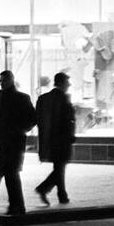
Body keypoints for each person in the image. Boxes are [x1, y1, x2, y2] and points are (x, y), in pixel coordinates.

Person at [0, 71, 36, 216]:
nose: (2, 83)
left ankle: (15, 204)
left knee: (11, 173)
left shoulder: (20, 97)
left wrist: (19, 130)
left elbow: (32, 118)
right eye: (1, 80)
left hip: (14, 142)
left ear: (12, 80)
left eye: (5, 80)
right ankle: (16, 205)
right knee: (10, 173)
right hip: (4, 142)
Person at [34, 72, 75, 205]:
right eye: (67, 82)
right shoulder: (63, 98)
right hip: (62, 139)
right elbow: (69, 120)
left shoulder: (44, 98)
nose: (69, 85)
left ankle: (61, 194)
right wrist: (71, 136)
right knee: (60, 166)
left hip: (49, 139)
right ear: (62, 83)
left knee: (59, 167)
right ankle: (46, 189)